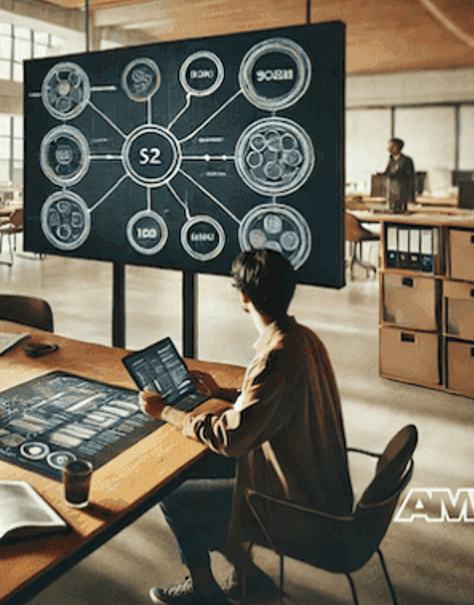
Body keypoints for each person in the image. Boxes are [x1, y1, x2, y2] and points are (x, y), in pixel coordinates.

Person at [140, 249, 353, 605]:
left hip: (298, 504)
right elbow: (273, 403)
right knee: (202, 473)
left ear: (243, 296)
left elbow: (230, 438)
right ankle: (248, 576)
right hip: (318, 480)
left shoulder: (275, 356)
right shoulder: (303, 339)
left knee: (175, 496)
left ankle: (205, 588)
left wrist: (166, 413)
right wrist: (221, 392)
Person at [381, 138, 415, 213]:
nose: (389, 148)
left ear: (397, 147)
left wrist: (411, 197)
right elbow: (387, 173)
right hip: (391, 194)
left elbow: (410, 178)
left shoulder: (406, 160)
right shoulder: (391, 160)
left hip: (402, 195)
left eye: (391, 146)